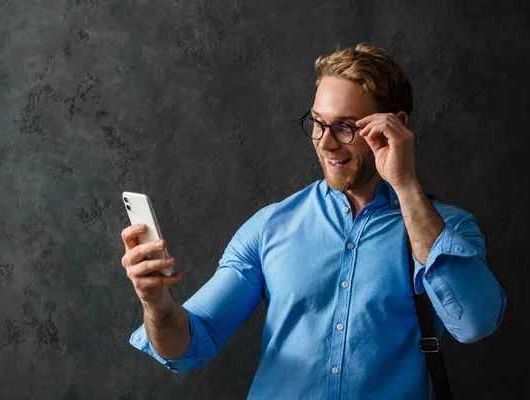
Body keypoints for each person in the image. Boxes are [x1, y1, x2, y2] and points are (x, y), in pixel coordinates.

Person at [120, 43, 506, 399]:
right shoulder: (270, 226)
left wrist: (404, 185)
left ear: (394, 126)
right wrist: (157, 304)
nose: (324, 142)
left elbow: (474, 323)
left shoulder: (446, 229)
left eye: (345, 127)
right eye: (318, 123)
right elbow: (191, 347)